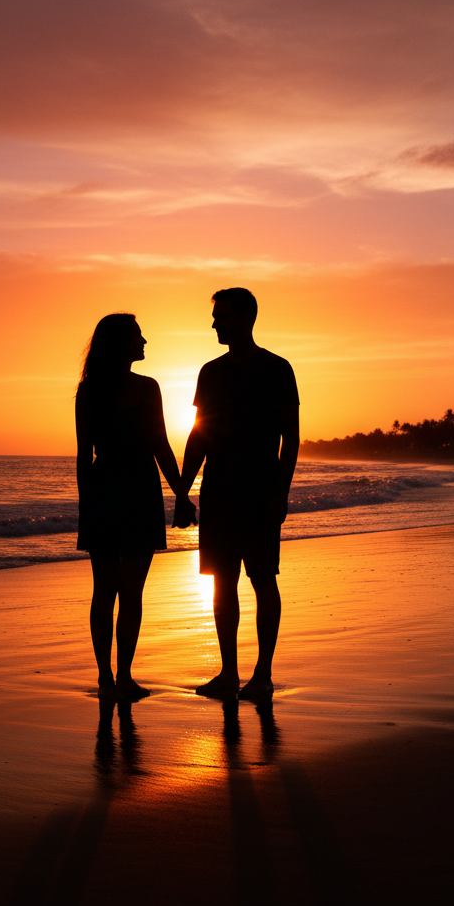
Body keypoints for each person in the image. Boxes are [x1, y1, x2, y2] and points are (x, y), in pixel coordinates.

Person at [175, 288, 300, 701]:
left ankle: (262, 674)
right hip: (219, 493)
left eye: (223, 316)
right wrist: (182, 490)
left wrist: (280, 493)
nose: (215, 324)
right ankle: (229, 673)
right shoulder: (210, 372)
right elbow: (200, 434)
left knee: (263, 578)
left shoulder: (277, 369)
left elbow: (291, 438)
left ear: (246, 317)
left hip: (260, 490)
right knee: (221, 583)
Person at [76, 313, 186, 700]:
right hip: (134, 490)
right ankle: (118, 677)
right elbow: (160, 447)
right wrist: (182, 494)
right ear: (122, 342)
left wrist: (86, 503)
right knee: (126, 592)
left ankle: (112, 677)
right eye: (138, 336)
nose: (144, 341)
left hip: (109, 490)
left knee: (106, 591)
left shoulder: (89, 391)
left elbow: (83, 457)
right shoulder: (142, 388)